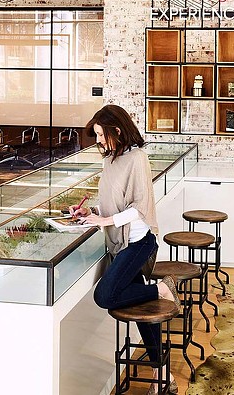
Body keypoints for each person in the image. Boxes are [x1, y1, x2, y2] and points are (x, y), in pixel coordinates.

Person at [69, 105, 179, 389]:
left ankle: (160, 288)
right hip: (120, 241)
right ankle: (162, 373)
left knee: (105, 296)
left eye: (100, 134)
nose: (98, 141)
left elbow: (140, 207)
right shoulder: (110, 159)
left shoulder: (137, 158)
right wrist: (89, 212)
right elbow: (111, 202)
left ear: (116, 130)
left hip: (139, 242)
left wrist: (104, 219)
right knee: (140, 304)